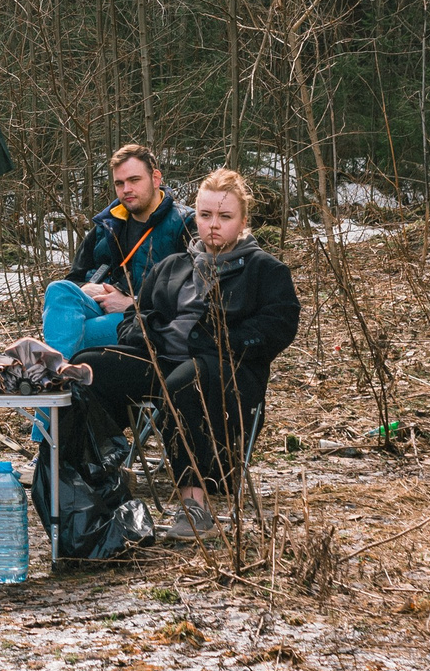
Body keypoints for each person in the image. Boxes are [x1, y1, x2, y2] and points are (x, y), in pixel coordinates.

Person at [70, 168, 298, 537]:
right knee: (87, 367)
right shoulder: (173, 266)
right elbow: (134, 318)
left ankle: (195, 506)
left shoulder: (264, 270)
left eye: (225, 217)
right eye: (205, 215)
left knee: (182, 382)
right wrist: (149, 335)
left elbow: (278, 328)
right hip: (162, 362)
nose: (212, 225)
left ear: (242, 220)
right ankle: (95, 481)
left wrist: (218, 340)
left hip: (226, 373)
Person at [42, 144, 192, 358]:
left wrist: (132, 304)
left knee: (72, 334)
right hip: (98, 307)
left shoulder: (183, 224)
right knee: (58, 290)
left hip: (144, 320)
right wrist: (87, 287)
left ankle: (56, 376)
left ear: (156, 178)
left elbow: (191, 294)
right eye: (119, 183)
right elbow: (74, 277)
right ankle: (60, 371)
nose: (126, 189)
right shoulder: (107, 225)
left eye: (134, 180)